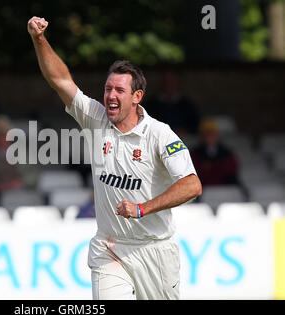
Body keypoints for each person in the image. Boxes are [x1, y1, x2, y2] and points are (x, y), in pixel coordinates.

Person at [28, 16, 202, 300]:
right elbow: (59, 79)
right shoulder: (96, 118)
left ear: (137, 97)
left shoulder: (160, 134)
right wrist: (39, 39)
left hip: (154, 250)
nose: (111, 95)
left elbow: (192, 185)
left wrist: (142, 208)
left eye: (119, 90)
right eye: (108, 89)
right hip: (109, 248)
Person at [145, 70, 200, 136]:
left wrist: (184, 131)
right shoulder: (151, 104)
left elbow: (195, 124)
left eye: (172, 82)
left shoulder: (187, 105)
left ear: (177, 83)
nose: (169, 85)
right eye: (166, 82)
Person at [190, 119, 240, 186]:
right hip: (204, 183)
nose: (210, 137)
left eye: (213, 134)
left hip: (223, 182)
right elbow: (194, 170)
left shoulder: (226, 152)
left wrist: (211, 167)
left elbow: (232, 168)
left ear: (217, 135)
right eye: (207, 134)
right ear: (202, 136)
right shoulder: (195, 153)